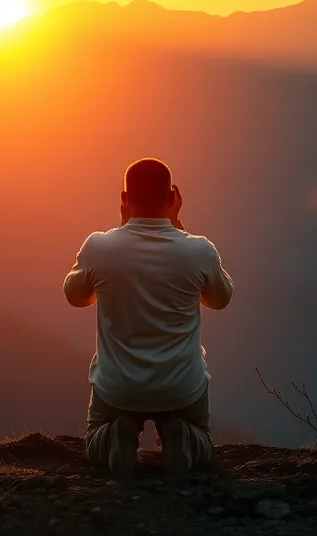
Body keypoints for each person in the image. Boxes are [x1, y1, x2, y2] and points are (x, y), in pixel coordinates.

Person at [63, 157, 234, 478]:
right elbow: (220, 299)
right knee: (202, 436)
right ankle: (183, 436)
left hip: (118, 387)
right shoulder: (199, 250)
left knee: (94, 436)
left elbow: (76, 297)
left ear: (124, 199)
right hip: (182, 387)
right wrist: (178, 228)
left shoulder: (99, 247)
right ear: (172, 200)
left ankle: (114, 435)